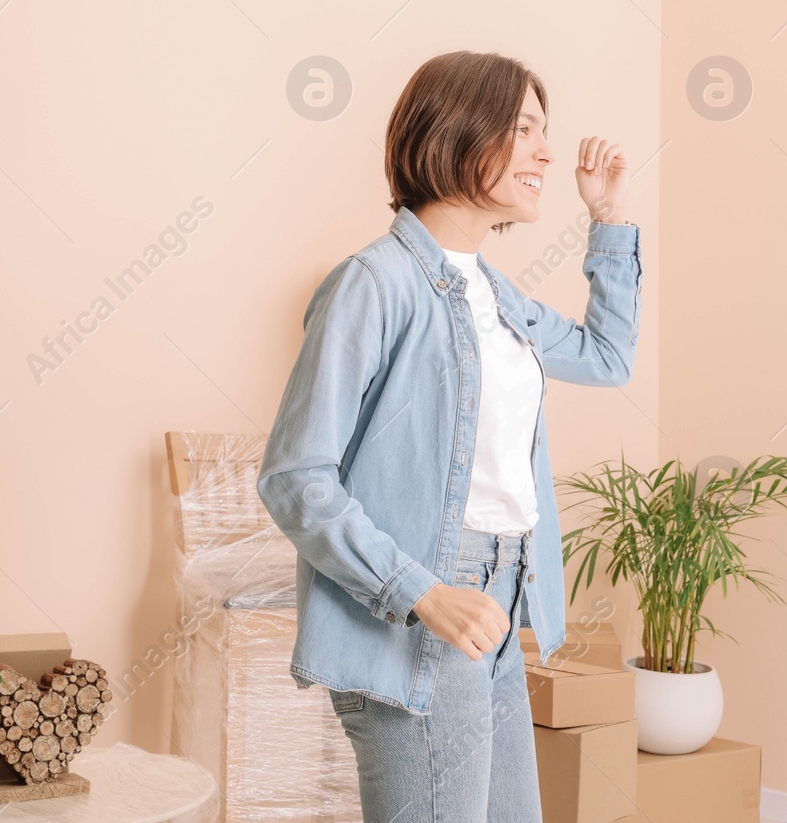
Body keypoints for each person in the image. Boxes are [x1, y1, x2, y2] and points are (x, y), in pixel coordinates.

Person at [257, 50, 642, 823]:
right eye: (525, 129)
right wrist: (421, 591)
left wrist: (607, 219)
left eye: (545, 131)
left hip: (499, 603)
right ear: (463, 133)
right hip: (422, 606)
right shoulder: (375, 283)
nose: (545, 152)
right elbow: (296, 476)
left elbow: (609, 357)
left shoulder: (497, 295)